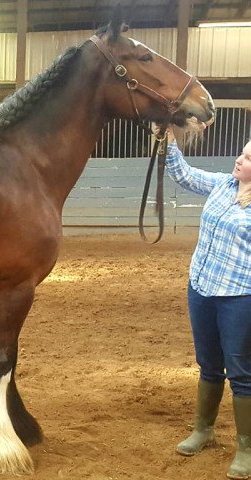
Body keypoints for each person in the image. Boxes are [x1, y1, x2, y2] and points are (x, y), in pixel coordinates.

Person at [162, 127, 251, 479]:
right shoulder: (222, 185)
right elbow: (183, 174)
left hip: (240, 295)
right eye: (242, 154)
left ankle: (246, 447)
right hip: (201, 287)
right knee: (209, 364)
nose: (238, 160)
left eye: (247, 159)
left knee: (242, 373)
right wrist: (168, 140)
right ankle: (204, 430)